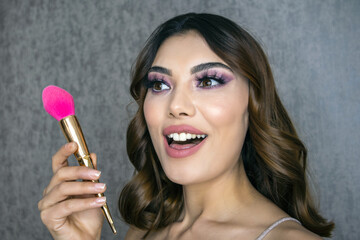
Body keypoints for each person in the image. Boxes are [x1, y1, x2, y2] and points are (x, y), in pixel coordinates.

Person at [38, 13, 334, 239]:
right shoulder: (142, 232)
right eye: (160, 84)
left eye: (207, 81)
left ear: (253, 103)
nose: (176, 106)